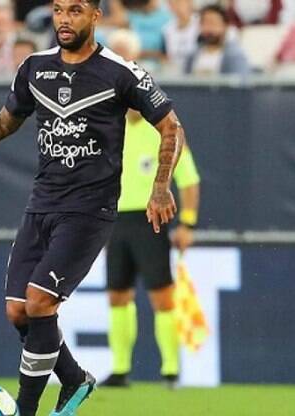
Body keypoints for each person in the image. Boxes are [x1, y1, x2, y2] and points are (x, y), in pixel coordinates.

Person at [0, 1, 187, 414]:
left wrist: (161, 186)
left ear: (95, 16)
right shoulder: (34, 68)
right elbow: (6, 120)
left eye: (75, 10)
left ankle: (25, 411)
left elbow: (171, 126)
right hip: (42, 204)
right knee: (18, 312)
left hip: (89, 210)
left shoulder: (120, 72)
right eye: (58, 9)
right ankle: (75, 380)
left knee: (40, 301)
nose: (63, 19)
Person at [101, 29, 201, 390]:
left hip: (151, 221)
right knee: (118, 294)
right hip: (115, 221)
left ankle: (171, 370)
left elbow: (189, 180)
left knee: (161, 294)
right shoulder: (111, 130)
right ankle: (120, 369)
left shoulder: (164, 130)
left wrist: (187, 223)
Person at [185, 5, 251, 76]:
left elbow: (239, 83)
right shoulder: (192, 56)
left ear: (225, 26)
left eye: (213, 23)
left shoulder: (235, 56)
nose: (209, 28)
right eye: (205, 23)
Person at [162, 0, 201, 73]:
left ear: (190, 3)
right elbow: (166, 55)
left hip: (196, 70)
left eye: (179, 2)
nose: (177, 6)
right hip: (174, 72)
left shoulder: (200, 24)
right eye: (172, 3)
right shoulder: (166, 29)